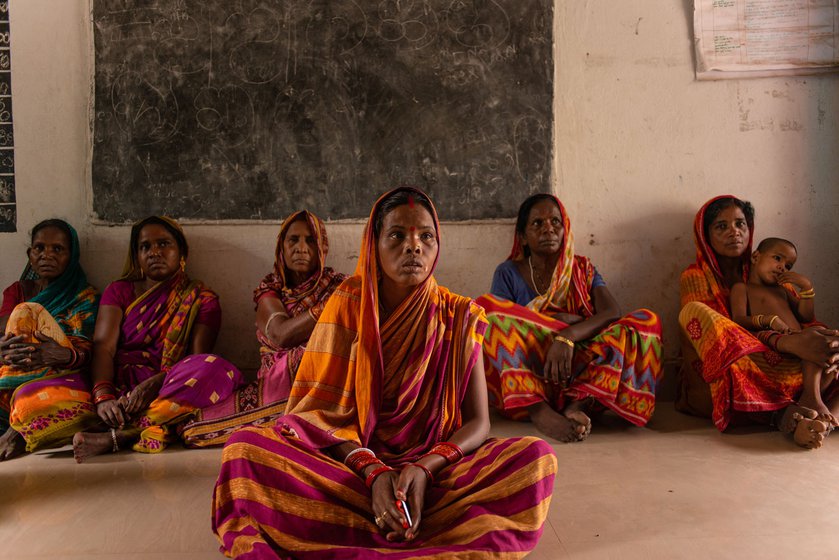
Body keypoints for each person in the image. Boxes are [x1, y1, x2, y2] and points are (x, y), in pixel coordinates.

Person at [213, 187, 557, 558]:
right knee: (243, 449)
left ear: (437, 244)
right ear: (373, 245)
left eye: (426, 236)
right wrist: (373, 472)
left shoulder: (460, 315)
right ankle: (405, 521)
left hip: (434, 472)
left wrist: (424, 470)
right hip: (350, 469)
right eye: (397, 236)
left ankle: (359, 522)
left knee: (536, 459)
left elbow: (478, 424)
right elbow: (312, 416)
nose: (413, 247)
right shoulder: (347, 303)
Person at [12, 216, 242, 461]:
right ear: (136, 255)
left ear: (181, 251)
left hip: (165, 385)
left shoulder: (202, 299)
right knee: (28, 401)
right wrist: (103, 398)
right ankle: (141, 422)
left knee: (213, 367)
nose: (154, 252)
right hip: (114, 382)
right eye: (145, 247)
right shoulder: (119, 291)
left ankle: (121, 435)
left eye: (164, 244)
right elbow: (104, 347)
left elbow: (195, 359)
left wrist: (152, 385)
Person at [477, 193, 663, 443]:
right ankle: (539, 411)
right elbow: (502, 328)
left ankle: (579, 405)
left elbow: (611, 312)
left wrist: (567, 335)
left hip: (578, 370)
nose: (548, 229)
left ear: (565, 230)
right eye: (537, 223)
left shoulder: (582, 269)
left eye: (555, 221)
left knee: (647, 321)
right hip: (532, 376)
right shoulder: (509, 272)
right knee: (485, 309)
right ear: (522, 237)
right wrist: (558, 322)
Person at [679, 196, 839, 447]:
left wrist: (823, 343)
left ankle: (818, 417)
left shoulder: (768, 271)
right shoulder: (695, 275)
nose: (734, 231)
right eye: (721, 226)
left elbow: (804, 321)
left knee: (827, 346)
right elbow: (722, 334)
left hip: (787, 363)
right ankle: (784, 413)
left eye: (740, 224)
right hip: (733, 368)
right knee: (693, 311)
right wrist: (785, 342)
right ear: (704, 236)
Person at [179, 211, 346, 447]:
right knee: (193, 427)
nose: (301, 248)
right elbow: (281, 334)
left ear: (322, 247)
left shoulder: (338, 285)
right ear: (281, 247)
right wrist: (331, 308)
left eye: (310, 240)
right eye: (293, 240)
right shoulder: (271, 290)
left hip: (327, 376)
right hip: (279, 377)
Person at [0, 219, 99, 460]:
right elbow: (4, 333)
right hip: (10, 372)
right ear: (30, 254)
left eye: (58, 249)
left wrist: (62, 354)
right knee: (23, 311)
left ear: (72, 255)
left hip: (60, 376)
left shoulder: (85, 297)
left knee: (36, 404)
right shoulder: (18, 290)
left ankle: (15, 432)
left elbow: (88, 352)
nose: (47, 255)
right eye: (39, 248)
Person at [728, 236, 838, 446]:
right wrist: (768, 320)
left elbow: (806, 317)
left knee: (821, 333)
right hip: (772, 338)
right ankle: (812, 397)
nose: (782, 267)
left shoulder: (783, 290)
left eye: (788, 265)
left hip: (801, 338)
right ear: (755, 257)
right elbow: (739, 319)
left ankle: (821, 406)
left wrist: (806, 288)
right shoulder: (742, 288)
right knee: (812, 339)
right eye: (777, 258)